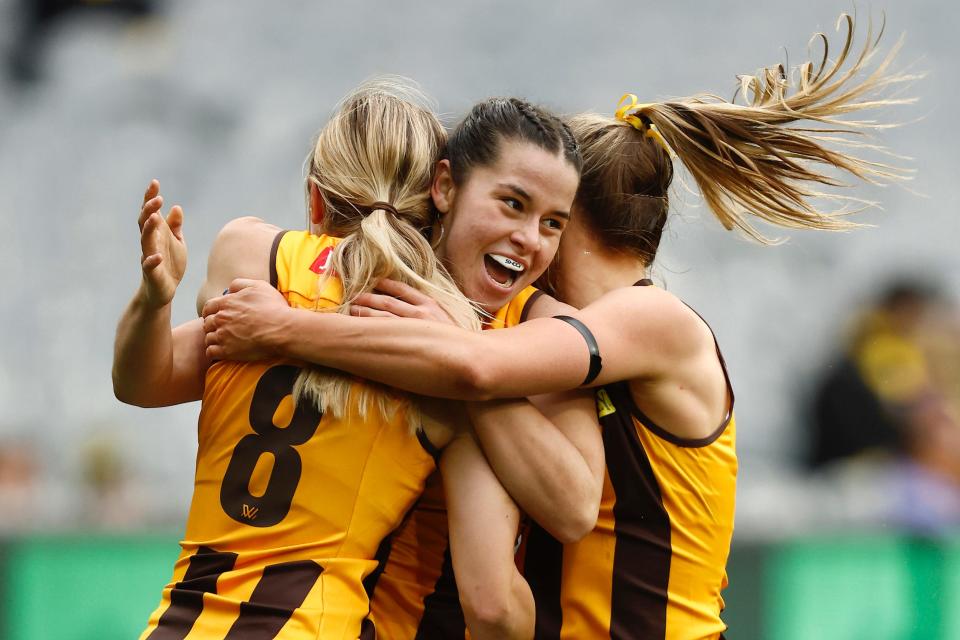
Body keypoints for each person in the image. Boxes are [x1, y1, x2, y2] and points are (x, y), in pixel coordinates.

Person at [201, 14, 913, 639]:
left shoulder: (650, 319)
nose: (525, 247)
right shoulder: (563, 347)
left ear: (575, 229)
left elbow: (475, 372)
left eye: (547, 221)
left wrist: (286, 330)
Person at [114, 80, 592, 639]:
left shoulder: (257, 266)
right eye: (512, 203)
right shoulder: (451, 370)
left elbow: (140, 382)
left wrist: (159, 301)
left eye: (552, 223)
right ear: (438, 196)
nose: (530, 237)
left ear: (316, 199)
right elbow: (496, 605)